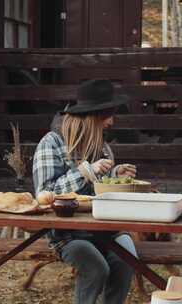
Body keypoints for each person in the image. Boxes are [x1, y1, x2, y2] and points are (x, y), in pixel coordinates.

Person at [32, 79, 138, 304]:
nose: (111, 121)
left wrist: (115, 176)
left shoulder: (102, 146)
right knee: (96, 269)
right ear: (92, 117)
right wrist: (85, 171)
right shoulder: (50, 143)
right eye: (108, 114)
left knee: (127, 260)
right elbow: (44, 195)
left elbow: (99, 191)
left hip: (107, 228)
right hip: (68, 234)